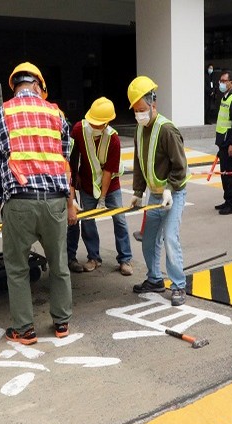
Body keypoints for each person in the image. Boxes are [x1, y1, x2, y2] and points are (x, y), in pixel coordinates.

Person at [0, 62, 73, 345]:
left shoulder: (1, 115)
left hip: (19, 204)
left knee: (18, 269)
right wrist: (71, 203)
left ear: (15, 86)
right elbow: (65, 163)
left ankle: (25, 330)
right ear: (37, 85)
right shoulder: (57, 114)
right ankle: (61, 323)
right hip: (55, 203)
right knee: (59, 265)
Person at [127, 76, 190, 306]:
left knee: (170, 238)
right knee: (149, 239)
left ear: (153, 103)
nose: (139, 114)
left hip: (174, 192)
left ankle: (178, 285)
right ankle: (154, 279)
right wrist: (137, 191)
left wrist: (169, 189)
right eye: (135, 110)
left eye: (142, 109)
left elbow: (180, 167)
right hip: (155, 194)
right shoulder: (139, 130)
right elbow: (139, 162)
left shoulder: (167, 130)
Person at [66, 97, 133, 276]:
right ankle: (94, 257)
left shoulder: (114, 139)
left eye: (98, 124)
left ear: (106, 123)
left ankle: (125, 259)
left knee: (119, 220)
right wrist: (76, 177)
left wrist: (103, 197)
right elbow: (71, 160)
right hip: (87, 184)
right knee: (87, 221)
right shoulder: (79, 130)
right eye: (92, 122)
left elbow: (108, 172)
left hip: (110, 186)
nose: (94, 126)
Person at [214, 69, 232, 215]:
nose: (221, 83)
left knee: (230, 174)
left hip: (229, 144)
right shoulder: (225, 97)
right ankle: (227, 200)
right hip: (223, 142)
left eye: (224, 81)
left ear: (231, 83)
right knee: (224, 173)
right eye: (220, 81)